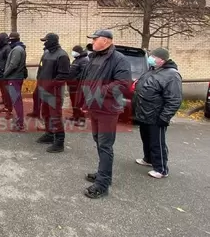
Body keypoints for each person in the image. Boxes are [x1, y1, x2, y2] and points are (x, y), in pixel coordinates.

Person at [77, 29, 131, 199]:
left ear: (107, 41)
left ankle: (103, 184)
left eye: (95, 39)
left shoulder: (118, 59)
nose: (92, 42)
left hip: (107, 109)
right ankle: (103, 173)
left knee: (105, 145)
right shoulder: (94, 57)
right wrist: (84, 102)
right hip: (94, 107)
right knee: (98, 142)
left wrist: (98, 91)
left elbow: (123, 84)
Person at [132, 48, 182, 179]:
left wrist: (164, 117)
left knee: (157, 142)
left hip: (156, 116)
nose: (151, 58)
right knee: (146, 138)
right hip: (144, 113)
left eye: (154, 56)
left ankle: (161, 169)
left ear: (162, 59)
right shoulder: (153, 70)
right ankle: (148, 159)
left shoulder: (172, 75)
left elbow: (174, 99)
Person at [35, 33, 70, 152]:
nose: (44, 43)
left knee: (55, 116)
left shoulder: (62, 56)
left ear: (52, 41)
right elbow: (41, 69)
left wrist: (50, 86)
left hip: (54, 92)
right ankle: (49, 134)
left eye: (46, 41)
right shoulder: (46, 53)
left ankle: (59, 142)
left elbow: (63, 76)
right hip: (44, 90)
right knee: (45, 113)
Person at [3, 32, 27, 131]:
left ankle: (20, 123)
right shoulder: (19, 48)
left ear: (12, 40)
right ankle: (19, 120)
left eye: (10, 40)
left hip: (14, 78)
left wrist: (5, 74)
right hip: (16, 77)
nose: (9, 42)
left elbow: (13, 65)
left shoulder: (17, 50)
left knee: (17, 101)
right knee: (17, 100)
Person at [67, 45, 89, 126]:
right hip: (72, 85)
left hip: (78, 86)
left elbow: (84, 73)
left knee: (79, 102)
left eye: (74, 51)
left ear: (78, 52)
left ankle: (81, 120)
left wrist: (75, 79)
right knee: (74, 102)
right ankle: (75, 116)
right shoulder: (76, 60)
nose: (73, 53)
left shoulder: (84, 61)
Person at [0, 33, 12, 114]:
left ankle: (9, 108)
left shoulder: (7, 49)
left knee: (6, 91)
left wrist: (4, 69)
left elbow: (9, 61)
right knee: (3, 91)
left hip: (4, 74)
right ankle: (6, 105)